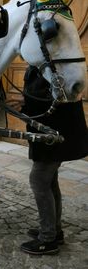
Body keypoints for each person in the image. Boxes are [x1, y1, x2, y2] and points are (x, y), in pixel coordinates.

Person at [19, 65, 88, 255]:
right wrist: (24, 102)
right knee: (50, 182)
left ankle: (48, 239)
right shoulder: (42, 65)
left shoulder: (55, 66)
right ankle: (54, 231)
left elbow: (52, 102)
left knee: (39, 180)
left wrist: (23, 103)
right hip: (50, 136)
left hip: (55, 135)